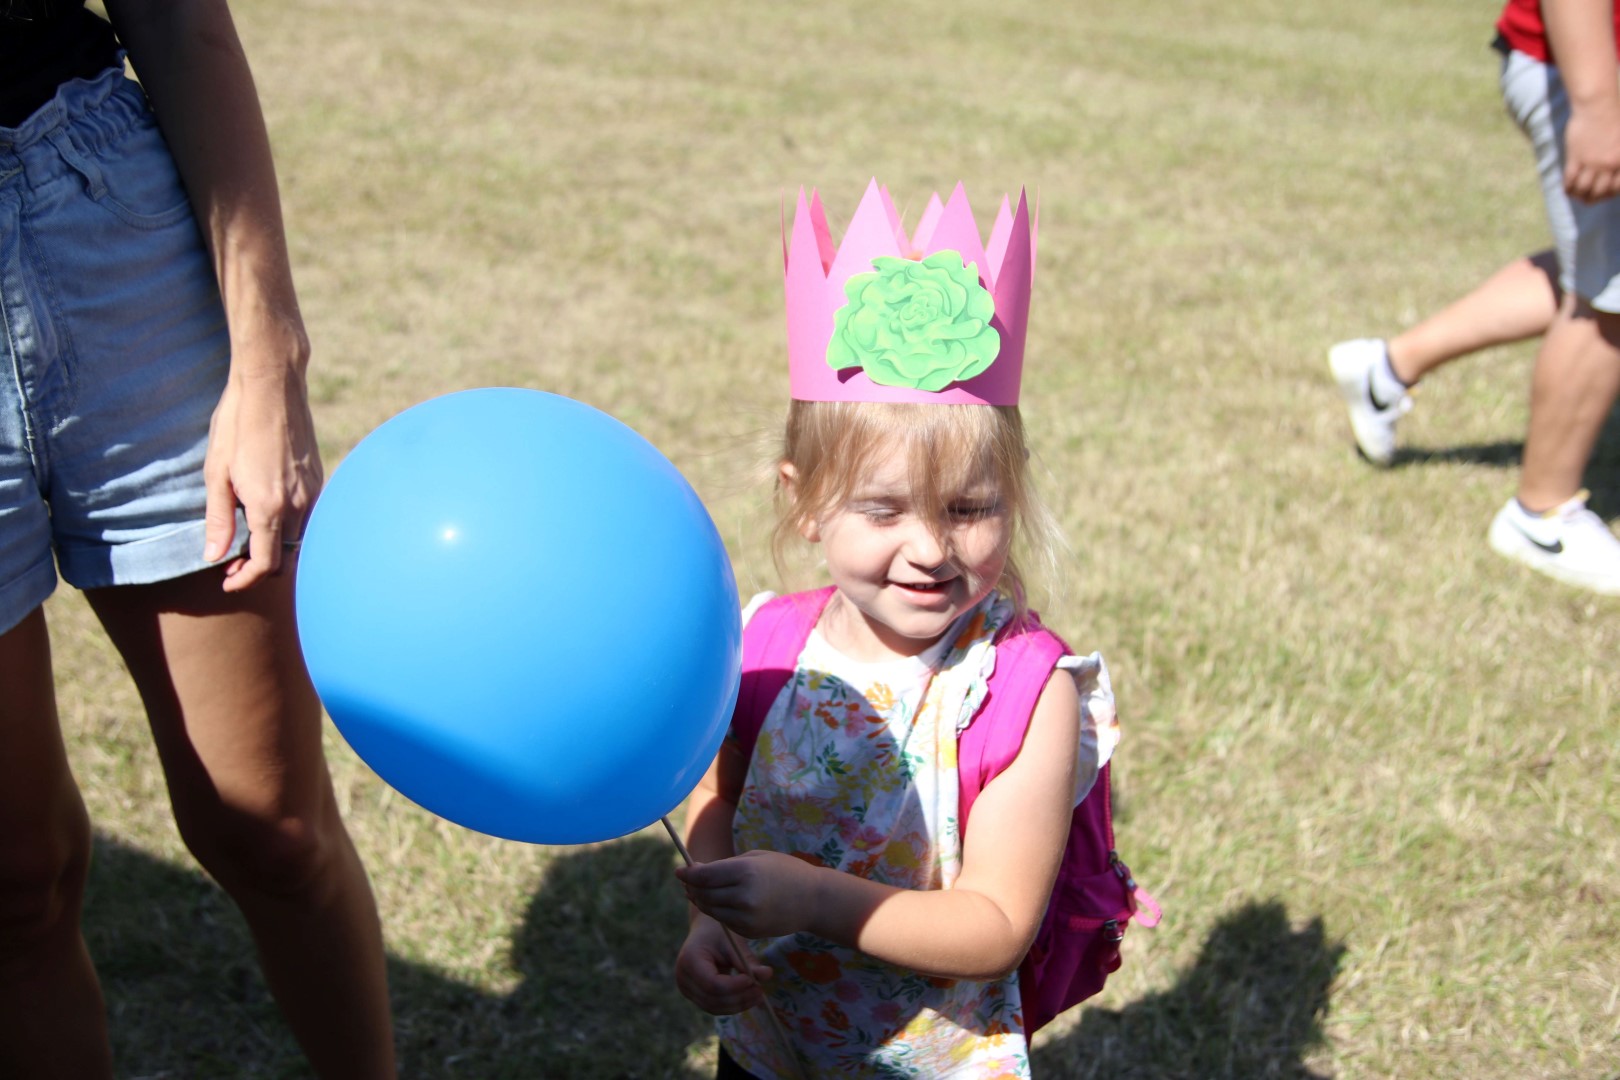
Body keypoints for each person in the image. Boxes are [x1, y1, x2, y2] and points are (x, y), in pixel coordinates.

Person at [0, 1, 395, 1076]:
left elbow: (178, 17)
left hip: (99, 218)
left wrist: (267, 362)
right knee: (15, 883)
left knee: (272, 826)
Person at [673, 182, 1122, 1078]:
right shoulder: (765, 647)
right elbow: (717, 796)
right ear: (805, 502)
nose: (930, 549)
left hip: (933, 1060)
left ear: (1011, 497)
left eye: (968, 508)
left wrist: (813, 899)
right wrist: (706, 920)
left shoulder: (1022, 693)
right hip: (768, 1045)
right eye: (884, 510)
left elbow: (996, 925)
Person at [1329, 0, 1620, 596]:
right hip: (1589, 66)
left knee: (1595, 266)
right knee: (1611, 284)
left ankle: (1387, 369)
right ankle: (1541, 517)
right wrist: (1597, 103)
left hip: (1587, 68)